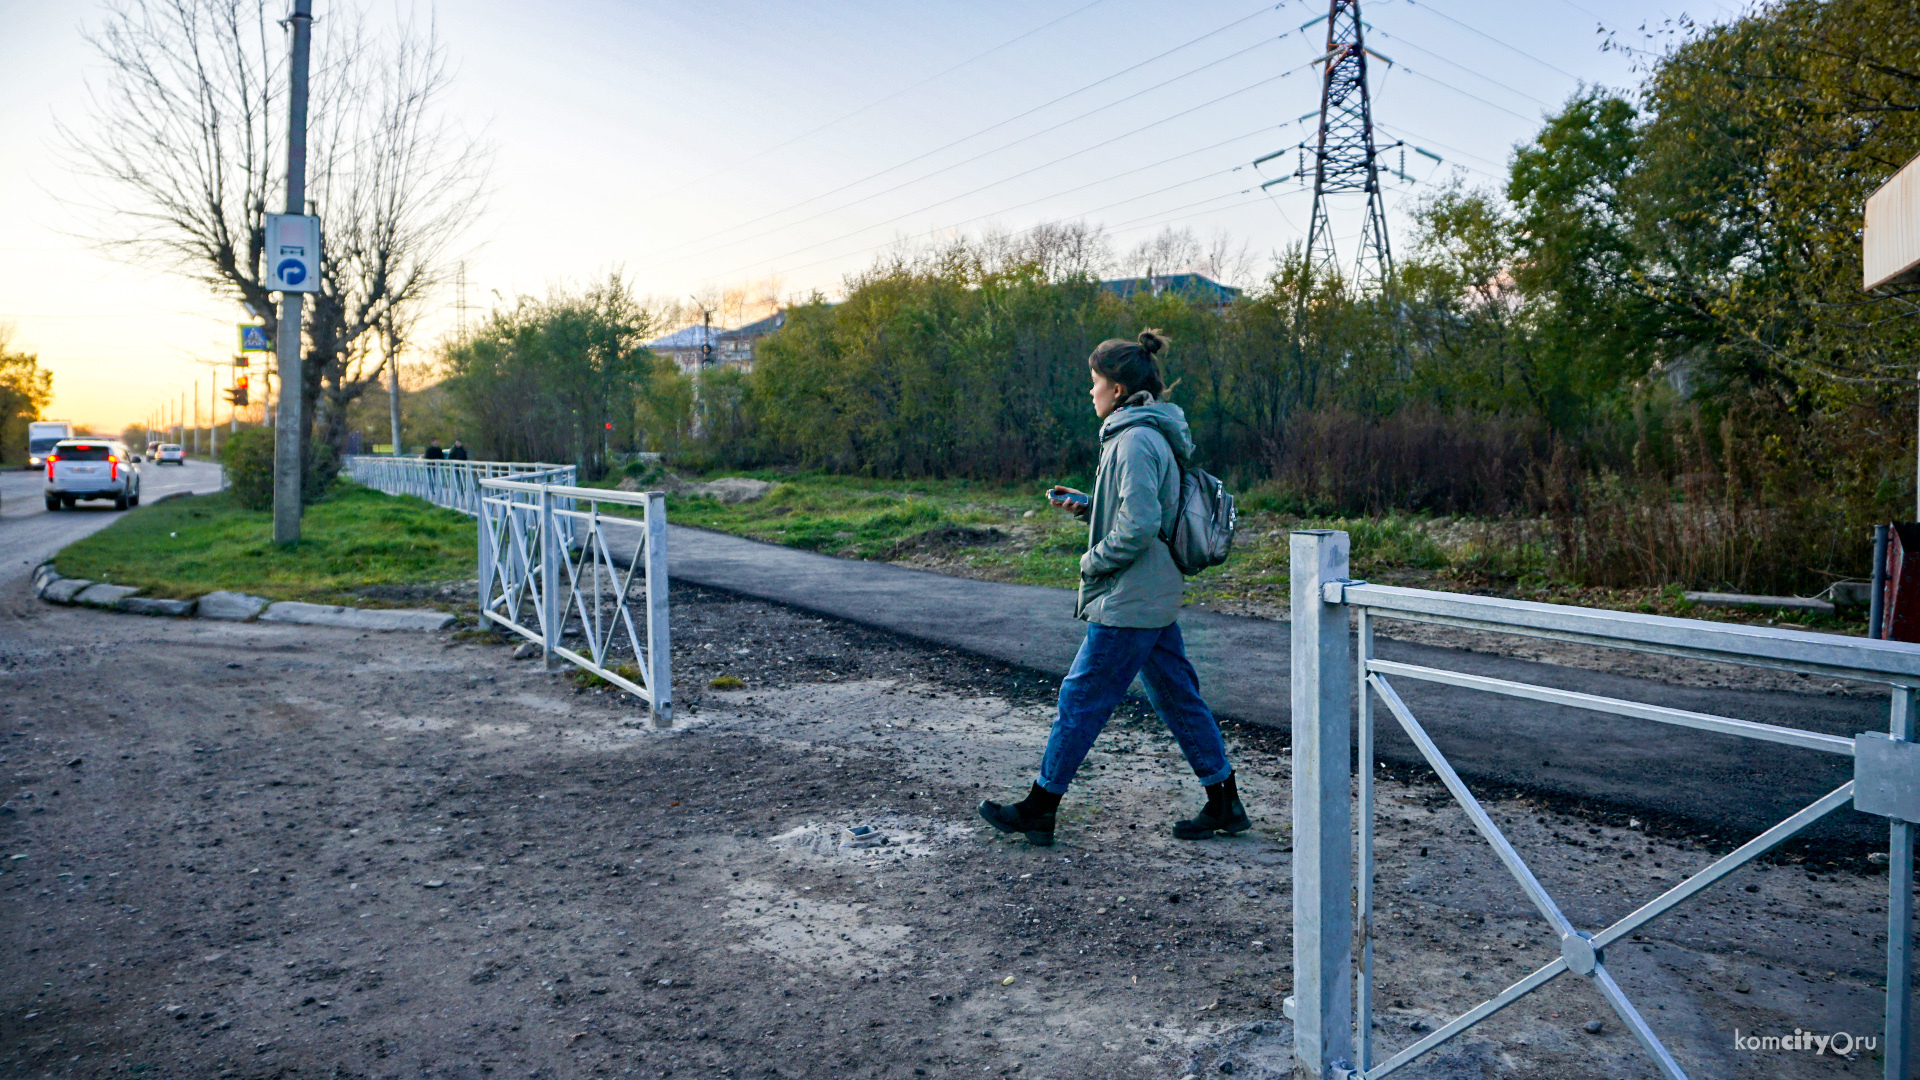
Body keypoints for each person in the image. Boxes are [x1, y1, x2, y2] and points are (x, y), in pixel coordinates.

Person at [979, 330, 1247, 848]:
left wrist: (1093, 559)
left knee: (1080, 696)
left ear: (1118, 390)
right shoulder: (1145, 434)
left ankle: (1041, 807)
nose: (1091, 392)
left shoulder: (1133, 439)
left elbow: (1142, 522)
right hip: (1151, 591)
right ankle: (1224, 801)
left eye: (1096, 382)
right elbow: (1138, 510)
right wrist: (1089, 506)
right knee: (1175, 696)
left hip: (1130, 597)